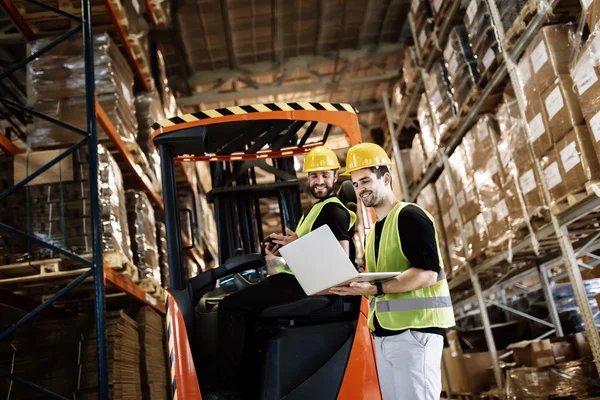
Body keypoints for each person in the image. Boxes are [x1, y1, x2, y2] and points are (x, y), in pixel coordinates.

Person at [206, 145, 356, 399]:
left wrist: (296, 246)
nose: (319, 181)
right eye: (314, 176)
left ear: (335, 175)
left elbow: (339, 260)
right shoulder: (316, 210)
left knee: (230, 307)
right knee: (250, 316)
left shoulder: (333, 210)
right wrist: (284, 248)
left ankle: (227, 390)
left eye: (324, 175)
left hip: (306, 283)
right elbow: (312, 248)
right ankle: (249, 387)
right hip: (300, 277)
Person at [330, 143, 455, 400]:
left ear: (385, 178)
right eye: (355, 184)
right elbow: (383, 277)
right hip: (386, 336)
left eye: (365, 180)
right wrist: (356, 282)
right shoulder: (374, 231)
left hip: (416, 333)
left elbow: (428, 273)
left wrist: (375, 288)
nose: (360, 189)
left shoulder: (410, 216)